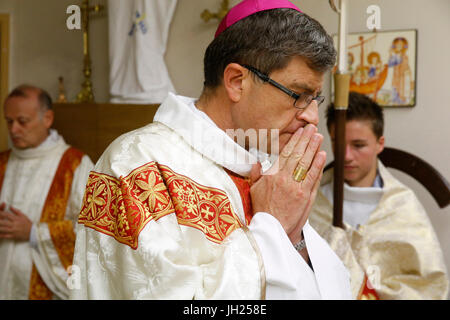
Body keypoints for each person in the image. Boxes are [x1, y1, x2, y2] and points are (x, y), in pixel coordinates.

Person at [70, 0, 352, 300]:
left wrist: (293, 238)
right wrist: (274, 229)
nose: (312, 116)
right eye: (299, 94)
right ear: (236, 82)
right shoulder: (136, 166)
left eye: (315, 99)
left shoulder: (267, 162)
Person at [309, 91, 449, 299]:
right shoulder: (311, 200)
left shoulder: (402, 205)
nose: (346, 156)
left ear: (379, 144)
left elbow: (430, 286)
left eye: (358, 145)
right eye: (338, 143)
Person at [0, 85, 94, 299]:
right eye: (9, 121)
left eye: (22, 121)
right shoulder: (2, 163)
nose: (13, 130)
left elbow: (92, 231)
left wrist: (34, 232)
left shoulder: (74, 165)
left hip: (49, 289)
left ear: (48, 118)